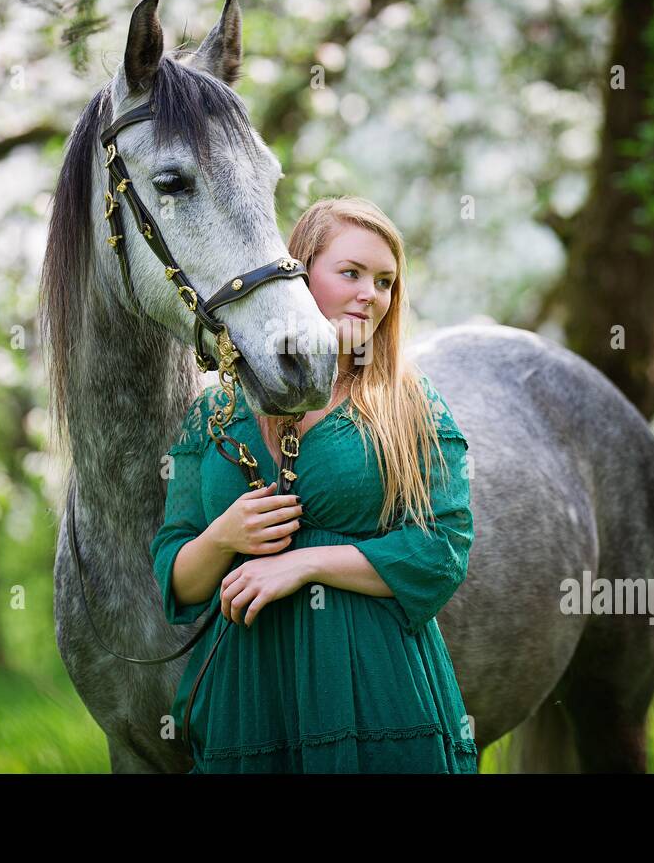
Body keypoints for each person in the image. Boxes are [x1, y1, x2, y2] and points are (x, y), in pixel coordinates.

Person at [149, 195, 477, 773]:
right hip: (250, 693)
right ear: (299, 274)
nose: (369, 294)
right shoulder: (217, 412)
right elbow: (178, 580)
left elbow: (442, 550)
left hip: (374, 685)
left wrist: (306, 563)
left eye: (385, 282)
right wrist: (223, 537)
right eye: (350, 273)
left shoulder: (409, 405)